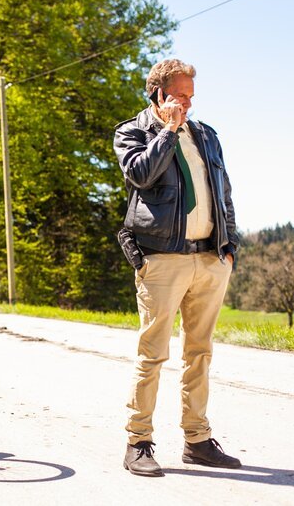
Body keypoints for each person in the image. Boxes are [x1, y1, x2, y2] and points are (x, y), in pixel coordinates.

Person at [113, 59, 241, 477]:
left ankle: (198, 440)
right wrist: (167, 131)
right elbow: (141, 174)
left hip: (210, 258)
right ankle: (139, 442)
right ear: (158, 94)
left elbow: (223, 194)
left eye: (190, 95)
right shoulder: (133, 132)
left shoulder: (205, 135)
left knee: (199, 353)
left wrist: (229, 247)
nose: (188, 102)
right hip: (162, 257)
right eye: (180, 94)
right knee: (152, 355)